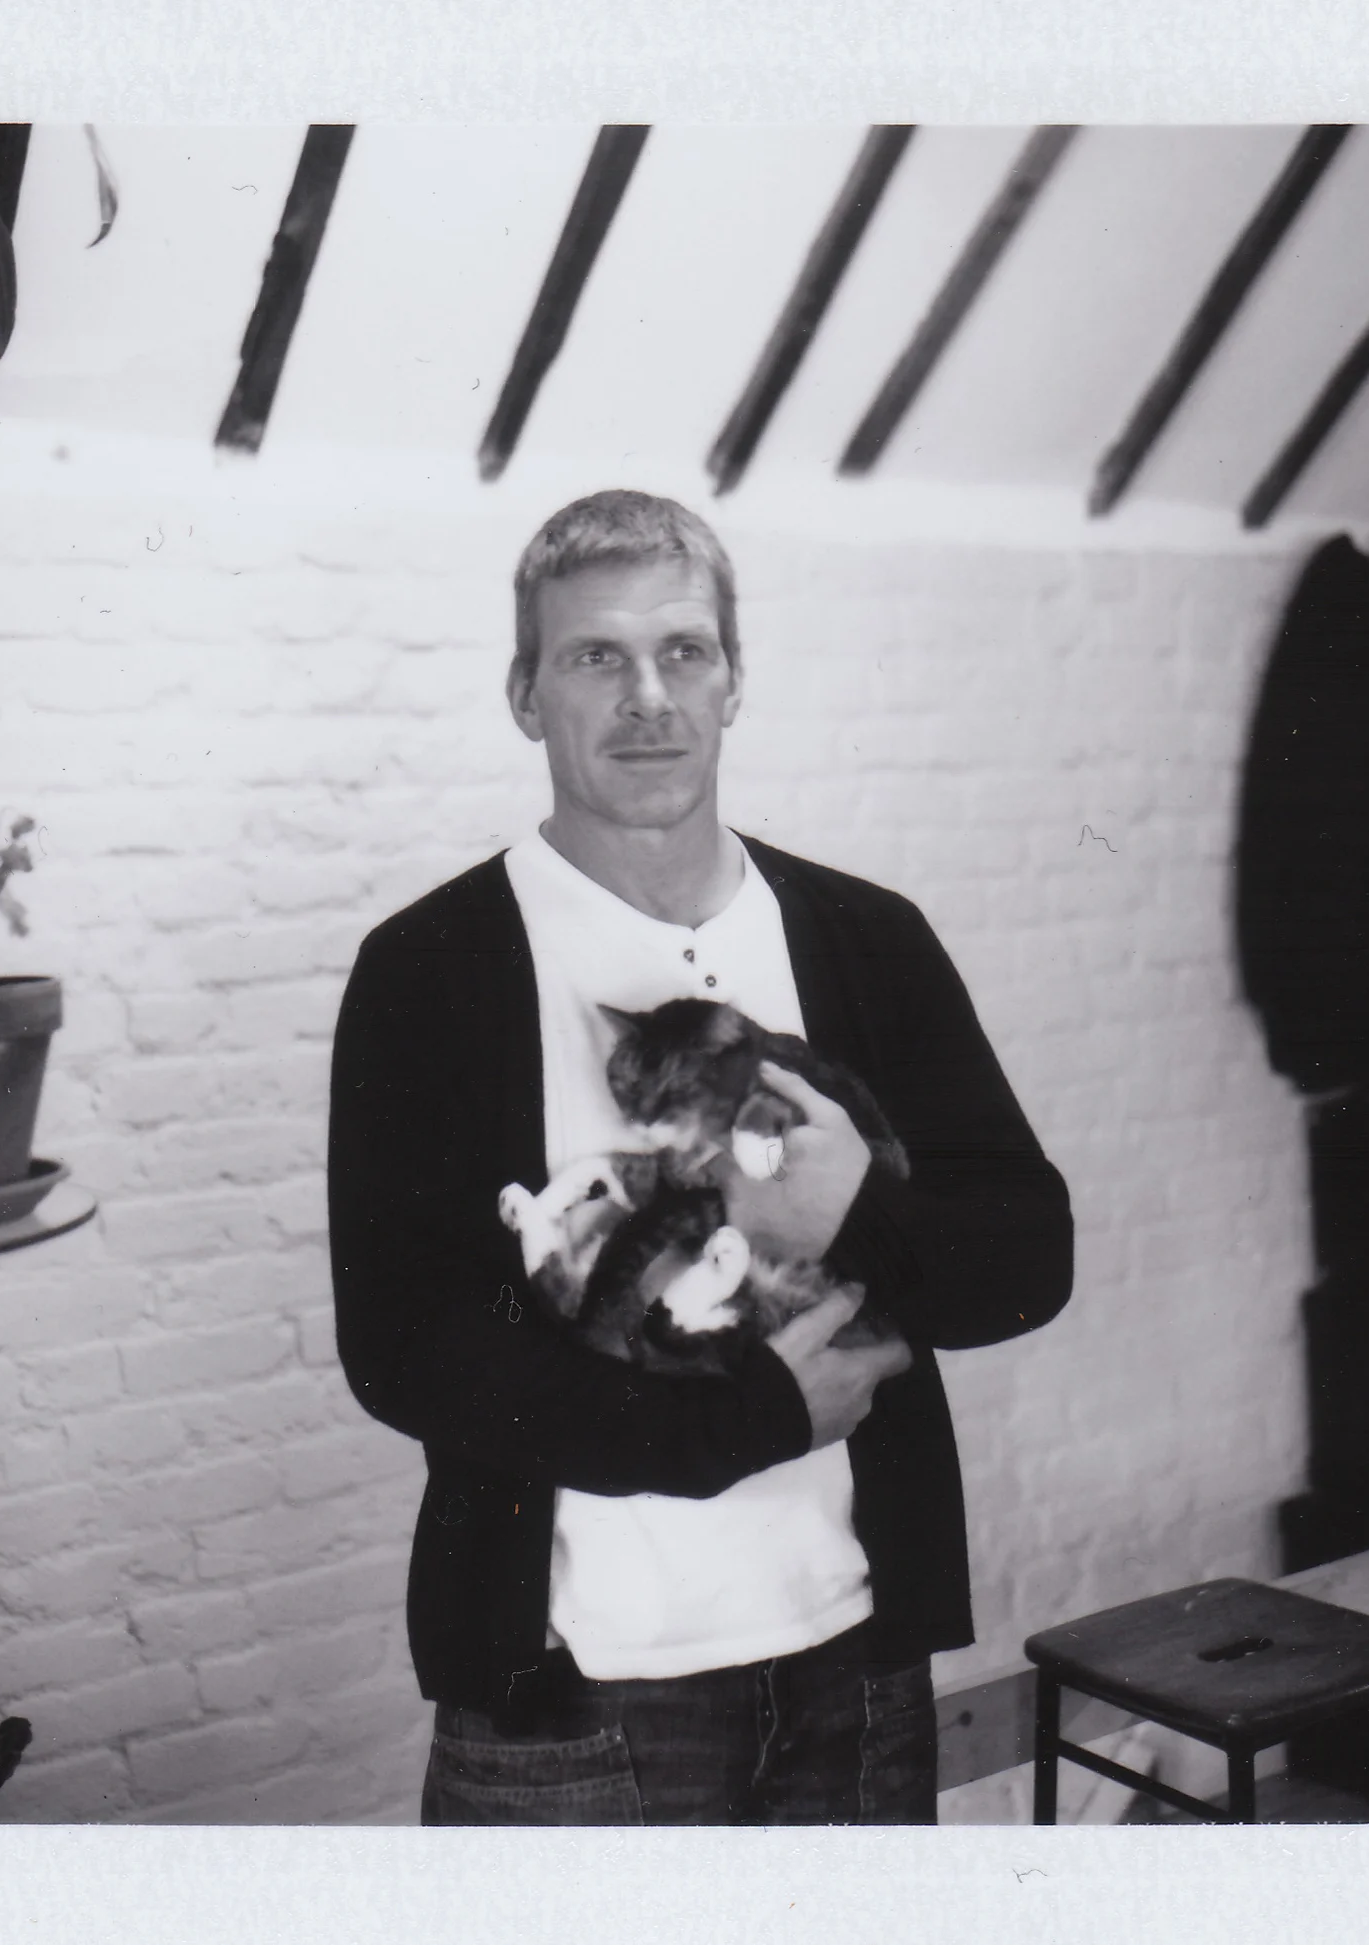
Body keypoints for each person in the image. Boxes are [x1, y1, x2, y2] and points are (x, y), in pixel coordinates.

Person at [328, 490, 1073, 1825]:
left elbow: (1028, 1261)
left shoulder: (868, 939)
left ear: (734, 682)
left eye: (685, 651)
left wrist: (857, 1212)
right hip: (572, 1694)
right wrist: (748, 1422)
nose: (648, 699)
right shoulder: (428, 970)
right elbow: (404, 1348)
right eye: (594, 657)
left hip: (857, 1663)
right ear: (525, 694)